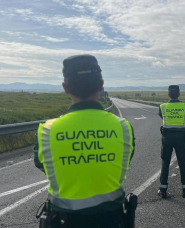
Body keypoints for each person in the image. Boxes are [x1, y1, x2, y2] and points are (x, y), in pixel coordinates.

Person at [33, 54, 135, 228]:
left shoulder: (47, 131)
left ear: (66, 88)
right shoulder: (123, 127)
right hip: (113, 221)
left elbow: (43, 165)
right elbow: (126, 157)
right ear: (101, 85)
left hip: (63, 221)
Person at [157, 85, 185, 198]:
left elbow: (161, 116)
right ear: (179, 94)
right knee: (182, 162)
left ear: (168, 94)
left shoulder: (162, 107)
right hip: (181, 136)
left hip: (167, 136)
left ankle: (163, 189)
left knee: (165, 161)